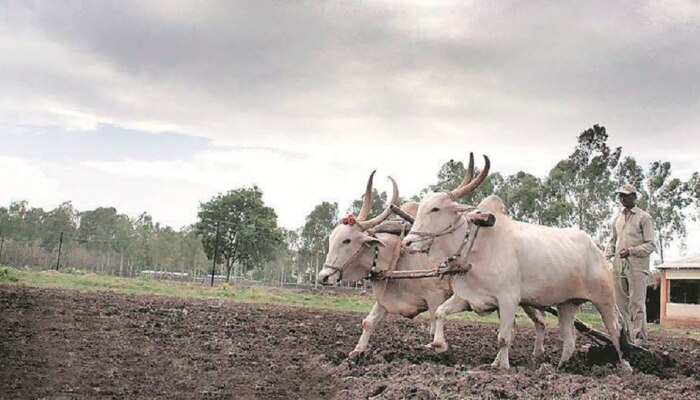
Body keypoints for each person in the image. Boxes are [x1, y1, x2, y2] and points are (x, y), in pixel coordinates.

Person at [605, 184, 656, 346]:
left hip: (637, 266)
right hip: (618, 266)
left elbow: (650, 245)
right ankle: (624, 338)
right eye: (620, 195)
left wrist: (631, 251)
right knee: (620, 305)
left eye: (626, 195)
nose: (622, 198)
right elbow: (612, 241)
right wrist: (606, 255)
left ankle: (640, 341)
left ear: (634, 197)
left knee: (637, 304)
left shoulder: (644, 218)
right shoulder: (617, 219)